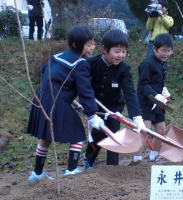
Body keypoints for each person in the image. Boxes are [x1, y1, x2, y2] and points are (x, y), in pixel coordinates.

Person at [27, 25, 104, 182]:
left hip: (42, 97)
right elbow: (85, 91)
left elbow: (41, 71)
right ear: (76, 44)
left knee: (46, 137)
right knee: (77, 133)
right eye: (88, 44)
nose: (92, 47)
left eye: (93, 43)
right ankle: (71, 170)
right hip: (56, 102)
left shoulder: (58, 56)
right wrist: (92, 114)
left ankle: (36, 173)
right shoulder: (81, 64)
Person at [84, 29, 145, 169]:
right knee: (98, 134)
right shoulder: (90, 63)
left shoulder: (124, 69)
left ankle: (113, 168)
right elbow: (82, 84)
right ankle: (89, 160)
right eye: (117, 51)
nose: (121, 55)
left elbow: (130, 92)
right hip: (96, 107)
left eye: (123, 51)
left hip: (114, 109)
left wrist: (137, 117)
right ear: (104, 49)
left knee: (114, 136)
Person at [134, 33, 173, 163]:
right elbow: (143, 85)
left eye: (169, 51)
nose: (166, 54)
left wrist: (163, 91)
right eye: (163, 50)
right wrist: (155, 94)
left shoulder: (162, 64)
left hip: (158, 104)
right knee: (143, 131)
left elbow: (156, 82)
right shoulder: (148, 64)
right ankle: (137, 160)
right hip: (145, 103)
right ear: (154, 49)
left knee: (161, 131)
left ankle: (153, 157)